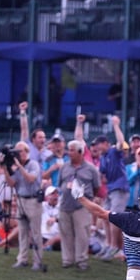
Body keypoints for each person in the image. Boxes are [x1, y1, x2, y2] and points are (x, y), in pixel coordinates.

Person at [58, 139, 101, 270]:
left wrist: (87, 199)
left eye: (71, 150)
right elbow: (60, 184)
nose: (68, 152)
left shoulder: (91, 169)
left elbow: (96, 187)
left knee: (82, 234)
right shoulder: (64, 167)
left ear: (80, 152)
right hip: (65, 205)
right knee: (66, 234)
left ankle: (81, 261)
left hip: (82, 206)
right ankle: (67, 260)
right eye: (68, 149)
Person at [3, 141, 44, 271]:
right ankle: (22, 259)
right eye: (16, 151)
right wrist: (4, 168)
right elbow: (11, 183)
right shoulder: (16, 167)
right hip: (21, 199)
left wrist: (20, 166)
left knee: (36, 233)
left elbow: (31, 178)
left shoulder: (33, 164)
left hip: (33, 200)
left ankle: (37, 261)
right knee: (22, 232)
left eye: (20, 151)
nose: (18, 154)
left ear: (26, 152)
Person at [95, 116, 129, 261]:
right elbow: (102, 175)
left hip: (120, 189)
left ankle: (116, 247)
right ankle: (108, 245)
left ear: (106, 144)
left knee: (114, 218)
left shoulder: (114, 151)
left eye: (99, 145)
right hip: (110, 190)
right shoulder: (102, 157)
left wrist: (116, 125)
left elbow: (121, 142)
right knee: (105, 217)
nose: (97, 148)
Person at [19, 101, 47, 166]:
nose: (43, 140)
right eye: (40, 137)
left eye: (44, 137)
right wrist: (22, 111)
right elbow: (24, 129)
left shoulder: (48, 152)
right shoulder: (28, 147)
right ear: (33, 139)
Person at [41, 186, 61, 251]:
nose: (55, 196)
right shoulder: (42, 205)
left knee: (59, 237)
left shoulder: (62, 207)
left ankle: (44, 247)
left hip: (57, 237)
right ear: (46, 197)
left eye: (57, 194)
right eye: (52, 194)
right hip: (43, 235)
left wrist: (56, 219)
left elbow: (66, 219)